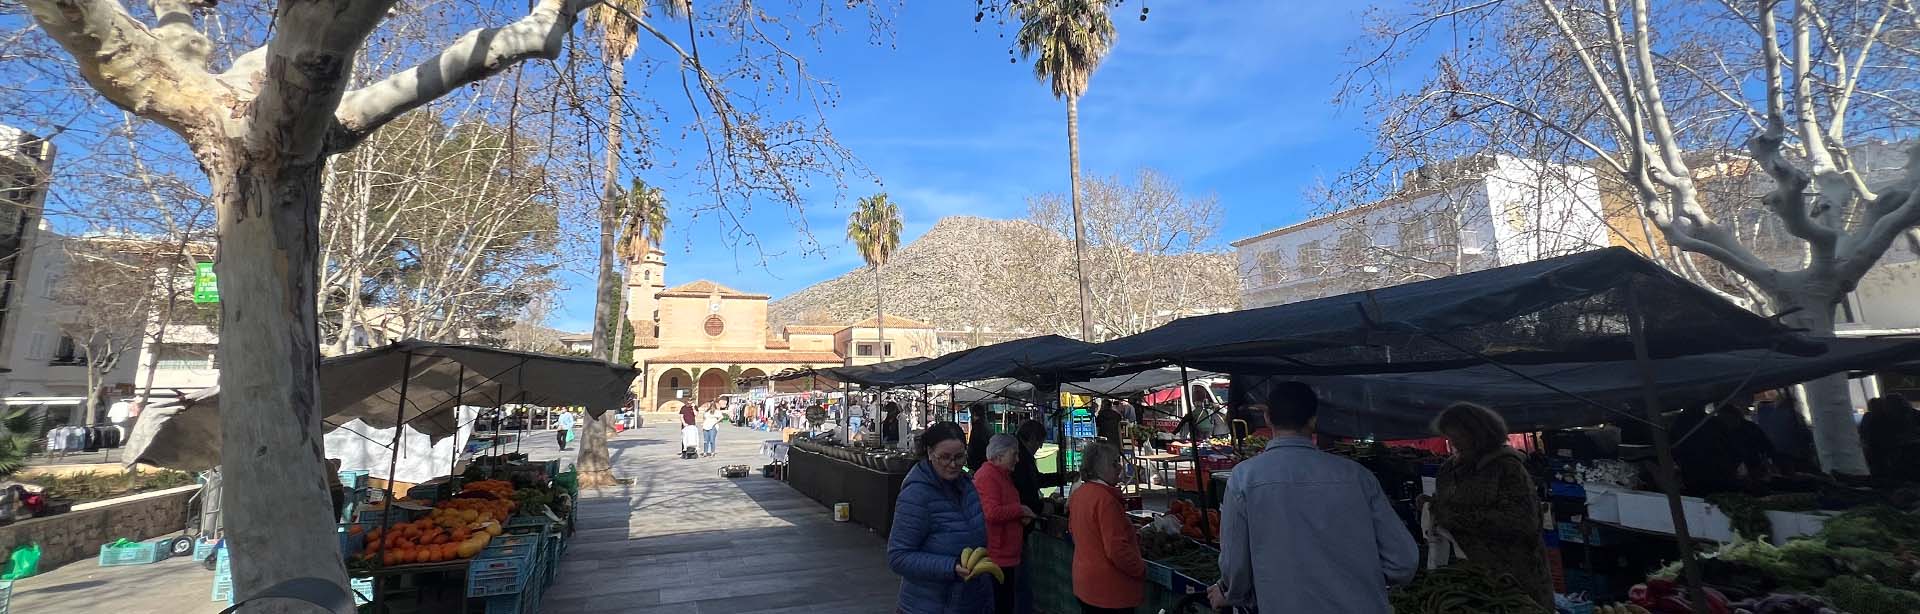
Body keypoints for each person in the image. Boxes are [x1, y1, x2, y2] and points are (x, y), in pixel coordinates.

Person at [1209, 383, 1417, 613]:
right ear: (1313, 420)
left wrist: (1229, 592)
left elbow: (1235, 567)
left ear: (1267, 418)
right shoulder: (1357, 476)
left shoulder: (1244, 478)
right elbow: (1403, 561)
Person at [1429, 402, 1554, 610]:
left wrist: (1454, 516)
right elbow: (1443, 505)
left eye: (1458, 436)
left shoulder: (1506, 467)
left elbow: (1523, 523)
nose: (1453, 442)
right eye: (1450, 437)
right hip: (1470, 579)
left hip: (1516, 578)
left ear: (1478, 433)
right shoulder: (1448, 470)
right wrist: (1430, 506)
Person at [888, 422, 993, 614]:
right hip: (928, 606)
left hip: (970, 602)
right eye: (944, 457)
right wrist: (951, 567)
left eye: (959, 457)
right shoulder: (916, 495)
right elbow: (898, 557)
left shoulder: (968, 485)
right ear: (929, 453)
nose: (953, 464)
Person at [1068, 443, 1145, 614]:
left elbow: (1076, 532)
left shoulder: (1080, 494)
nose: (1119, 467)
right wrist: (1140, 568)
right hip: (1109, 592)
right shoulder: (1106, 500)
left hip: (1085, 584)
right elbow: (1116, 550)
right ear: (1099, 468)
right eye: (1114, 463)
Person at [974, 434, 1033, 614]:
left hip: (1005, 552)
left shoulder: (1002, 475)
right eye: (1013, 454)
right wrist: (1020, 510)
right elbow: (991, 512)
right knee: (1001, 604)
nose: (1017, 459)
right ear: (999, 456)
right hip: (997, 555)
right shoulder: (988, 476)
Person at [1671, 404, 1739, 495]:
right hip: (1718, 474)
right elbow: (1732, 448)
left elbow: (1673, 451)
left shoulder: (1678, 424)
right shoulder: (1715, 423)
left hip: (1694, 475)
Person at [1755, 392, 1818, 474]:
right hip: (1797, 454)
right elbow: (1806, 434)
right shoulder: (1794, 416)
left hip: (1778, 456)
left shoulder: (1768, 418)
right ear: (1791, 403)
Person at [1716, 401, 1775, 483]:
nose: (1727, 422)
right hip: (1735, 470)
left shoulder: (1750, 428)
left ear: (1735, 416)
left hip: (1755, 466)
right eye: (1723, 419)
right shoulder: (1722, 432)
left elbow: (1767, 446)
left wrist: (1769, 462)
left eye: (1728, 418)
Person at [968, 405, 994, 472]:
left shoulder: (977, 427)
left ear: (974, 414)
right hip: (986, 462)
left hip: (978, 464)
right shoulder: (988, 426)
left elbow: (974, 448)